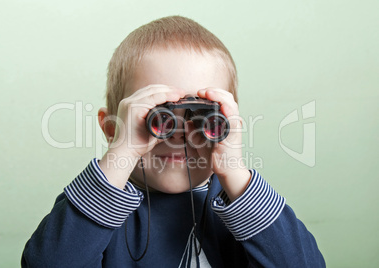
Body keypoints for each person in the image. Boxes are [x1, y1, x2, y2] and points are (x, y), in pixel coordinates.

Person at [22, 16, 325, 267]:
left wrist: (235, 173)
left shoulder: (241, 205)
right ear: (113, 129)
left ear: (226, 126)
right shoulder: (99, 208)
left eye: (202, 116)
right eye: (158, 116)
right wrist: (120, 158)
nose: (179, 133)